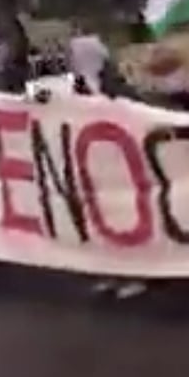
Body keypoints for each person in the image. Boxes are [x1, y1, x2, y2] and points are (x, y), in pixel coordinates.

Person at [68, 35, 147, 300]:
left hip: (120, 166)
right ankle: (110, 271)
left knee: (125, 219)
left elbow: (137, 111)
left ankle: (136, 273)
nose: (71, 60)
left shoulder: (115, 85)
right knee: (100, 219)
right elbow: (44, 96)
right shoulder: (76, 84)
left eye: (75, 54)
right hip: (93, 166)